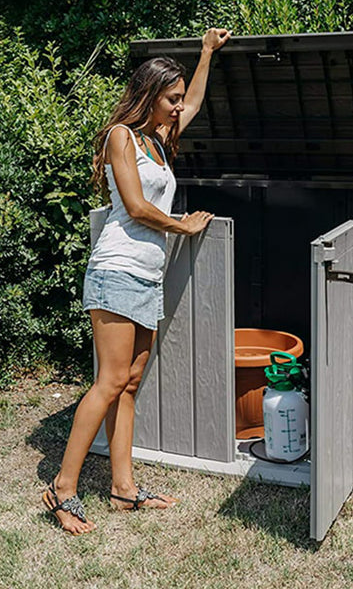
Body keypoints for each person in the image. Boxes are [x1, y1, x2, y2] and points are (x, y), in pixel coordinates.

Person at [42, 27, 232, 534]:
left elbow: (192, 102)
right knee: (107, 382)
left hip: (147, 277)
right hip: (116, 270)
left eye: (176, 100)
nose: (177, 108)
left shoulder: (160, 139)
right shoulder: (120, 137)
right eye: (168, 99)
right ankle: (63, 489)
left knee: (128, 385)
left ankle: (123, 490)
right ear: (149, 96)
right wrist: (182, 224)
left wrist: (206, 53)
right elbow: (136, 207)